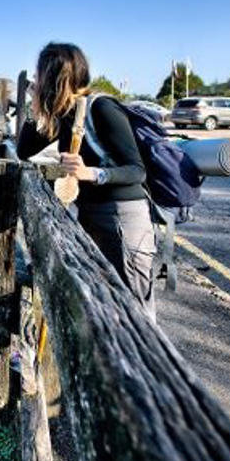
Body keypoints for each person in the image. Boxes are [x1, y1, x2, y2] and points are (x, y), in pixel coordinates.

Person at [17, 42, 157, 319]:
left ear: (54, 75)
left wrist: (92, 173)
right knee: (104, 306)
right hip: (91, 216)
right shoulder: (64, 114)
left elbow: (137, 170)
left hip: (122, 220)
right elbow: (24, 151)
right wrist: (36, 109)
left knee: (135, 311)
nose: (35, 80)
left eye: (39, 74)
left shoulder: (101, 107)